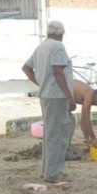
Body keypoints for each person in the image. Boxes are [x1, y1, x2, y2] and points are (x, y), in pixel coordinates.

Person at [21, 21, 76, 183]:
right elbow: (58, 71)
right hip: (56, 96)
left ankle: (47, 171)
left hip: (46, 95)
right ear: (61, 33)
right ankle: (52, 174)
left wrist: (40, 82)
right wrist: (69, 96)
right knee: (57, 136)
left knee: (50, 135)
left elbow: (26, 68)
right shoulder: (57, 46)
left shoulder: (41, 47)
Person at [73, 79, 97, 150]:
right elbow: (86, 119)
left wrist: (87, 138)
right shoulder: (89, 95)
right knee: (69, 122)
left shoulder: (88, 94)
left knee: (70, 121)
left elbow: (83, 119)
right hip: (58, 92)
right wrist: (93, 138)